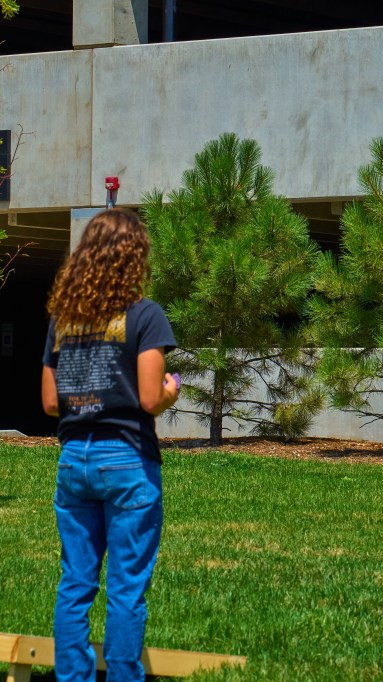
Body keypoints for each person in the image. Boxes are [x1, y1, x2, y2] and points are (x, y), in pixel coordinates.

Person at [41, 208, 179, 681]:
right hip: (126, 459)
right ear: (134, 257)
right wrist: (170, 392)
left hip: (73, 460)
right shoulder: (145, 315)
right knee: (125, 588)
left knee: (75, 583)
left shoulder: (64, 319)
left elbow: (50, 402)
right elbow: (149, 398)